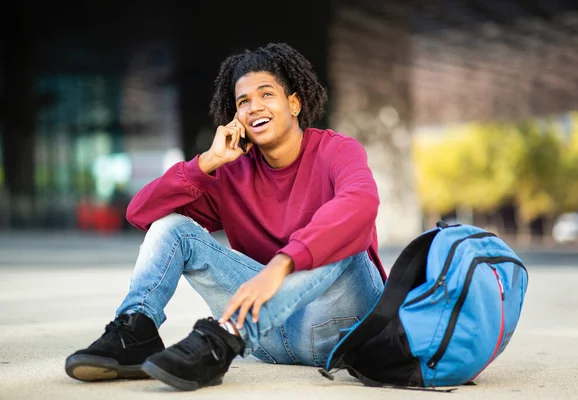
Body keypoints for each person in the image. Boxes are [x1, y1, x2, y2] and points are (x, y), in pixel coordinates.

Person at [64, 42, 386, 391]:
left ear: (294, 103)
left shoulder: (336, 150)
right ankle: (135, 332)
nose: (254, 107)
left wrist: (282, 264)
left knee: (345, 242)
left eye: (266, 94)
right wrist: (208, 162)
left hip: (342, 326)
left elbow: (361, 204)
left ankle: (223, 336)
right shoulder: (232, 174)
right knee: (173, 228)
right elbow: (140, 212)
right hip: (270, 336)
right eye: (243, 101)